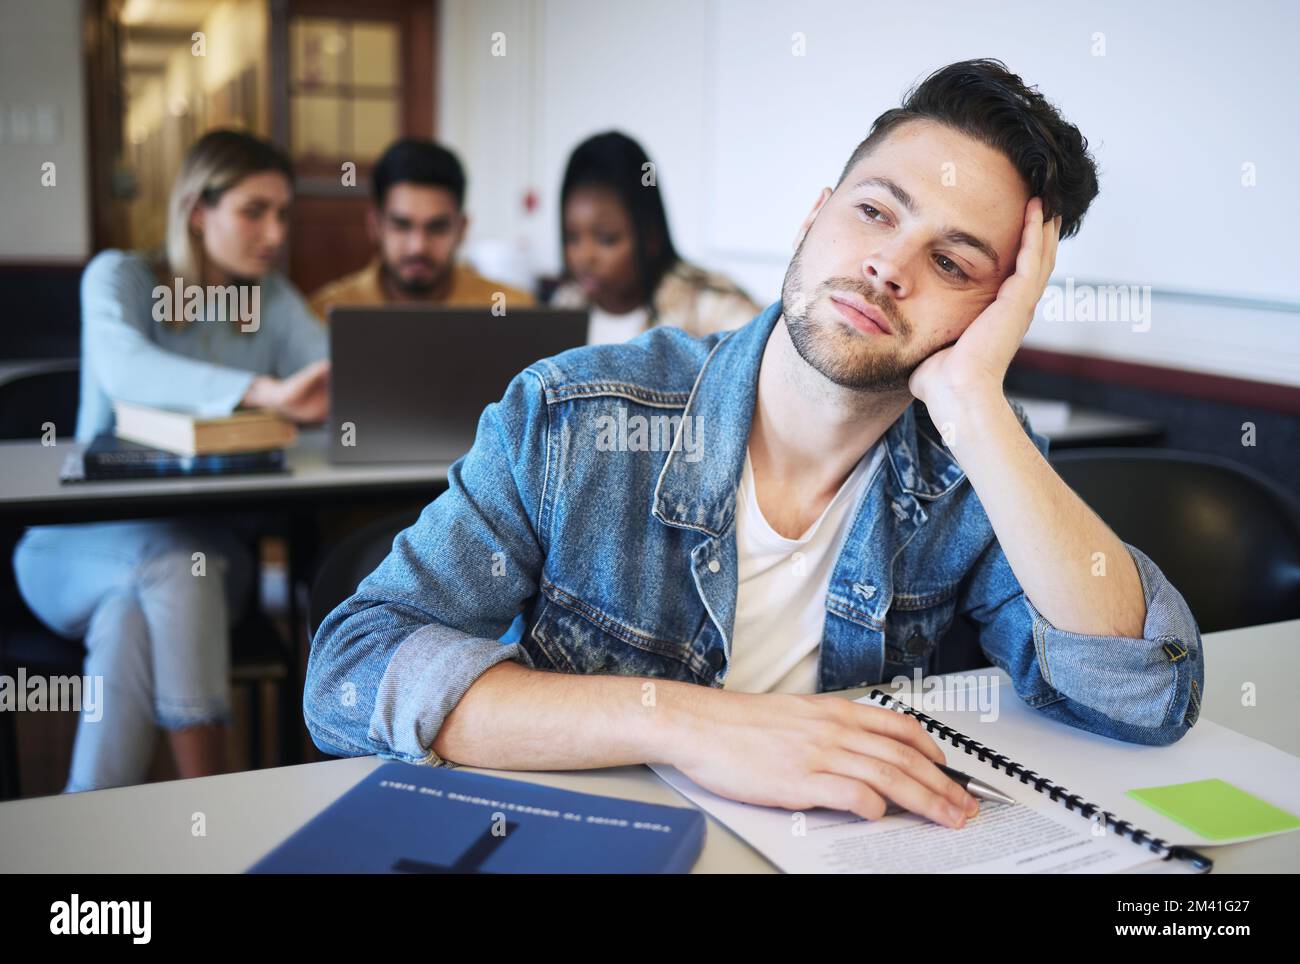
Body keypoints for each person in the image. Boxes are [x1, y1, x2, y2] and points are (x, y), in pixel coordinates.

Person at [305, 61, 1203, 832]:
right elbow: (351, 671)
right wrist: (687, 724)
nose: (891, 266)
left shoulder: (969, 469)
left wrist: (974, 405)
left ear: (998, 313)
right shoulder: (572, 416)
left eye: (954, 264)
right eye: (877, 213)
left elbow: (1141, 694)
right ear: (816, 214)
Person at [13, 129, 329, 792]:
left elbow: (332, 375)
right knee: (170, 566)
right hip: (74, 550)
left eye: (282, 214)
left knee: (135, 609)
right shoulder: (118, 277)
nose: (274, 232)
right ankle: (212, 808)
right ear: (197, 210)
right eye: (254, 211)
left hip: (213, 562)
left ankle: (86, 835)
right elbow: (129, 370)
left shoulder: (271, 299)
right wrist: (262, 393)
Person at [548, 131, 759, 343]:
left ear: (650, 236)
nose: (584, 257)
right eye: (571, 238)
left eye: (606, 239)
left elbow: (763, 347)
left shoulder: (708, 305)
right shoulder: (568, 304)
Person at [309, 138, 534, 318]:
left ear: (462, 229)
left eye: (437, 228)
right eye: (401, 225)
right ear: (375, 225)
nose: (418, 247)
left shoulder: (514, 312)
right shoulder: (327, 314)